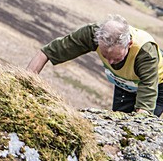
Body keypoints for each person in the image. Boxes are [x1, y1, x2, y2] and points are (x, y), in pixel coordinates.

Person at [27, 15, 163, 116]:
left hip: (157, 85)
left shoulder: (145, 53)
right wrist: (24, 84)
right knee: (119, 123)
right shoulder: (93, 34)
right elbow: (45, 53)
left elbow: (145, 106)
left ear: (129, 44)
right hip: (125, 83)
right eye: (105, 56)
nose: (110, 62)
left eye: (116, 58)